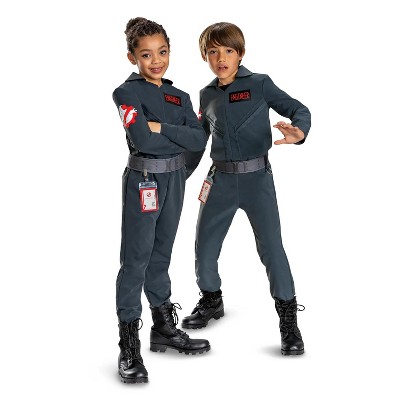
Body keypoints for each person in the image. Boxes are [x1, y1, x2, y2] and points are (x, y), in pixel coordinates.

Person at [182, 22, 311, 356]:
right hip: (219, 181)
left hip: (257, 181)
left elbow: (299, 109)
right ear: (205, 56)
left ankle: (288, 320)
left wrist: (299, 131)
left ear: (240, 53)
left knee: (272, 250)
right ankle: (212, 299)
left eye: (228, 50)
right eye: (213, 52)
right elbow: (198, 142)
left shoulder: (260, 84)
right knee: (204, 247)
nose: (221, 58)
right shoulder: (206, 95)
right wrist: (178, 175)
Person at [112, 17, 210, 384]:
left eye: (162, 52)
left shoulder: (179, 96)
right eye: (146, 54)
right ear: (132, 57)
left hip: (175, 180)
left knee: (162, 254)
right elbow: (143, 141)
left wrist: (162, 128)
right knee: (135, 259)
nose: (156, 61)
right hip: (145, 181)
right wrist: (175, 135)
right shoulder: (126, 93)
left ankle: (163, 326)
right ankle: (128, 344)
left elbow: (198, 140)